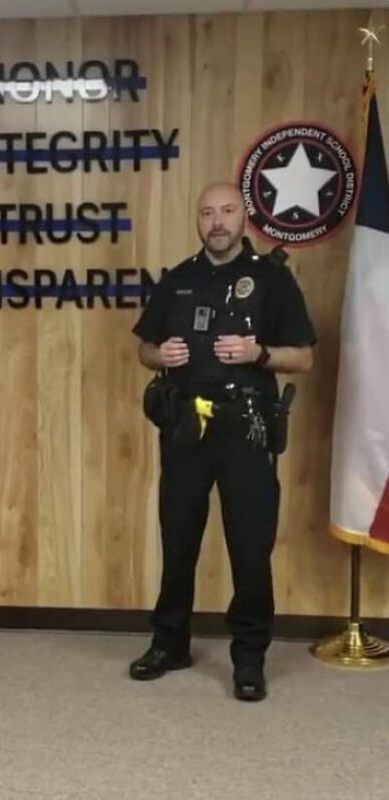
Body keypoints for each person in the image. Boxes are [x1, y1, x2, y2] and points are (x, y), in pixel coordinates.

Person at [130, 181, 316, 701]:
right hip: (185, 428)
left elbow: (303, 357)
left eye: (227, 211)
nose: (217, 221)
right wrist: (160, 355)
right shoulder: (179, 279)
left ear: (243, 218)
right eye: (207, 213)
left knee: (250, 547)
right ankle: (169, 644)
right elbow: (144, 347)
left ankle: (249, 658)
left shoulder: (272, 280)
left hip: (246, 430)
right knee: (178, 541)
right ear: (198, 221)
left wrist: (259, 354)